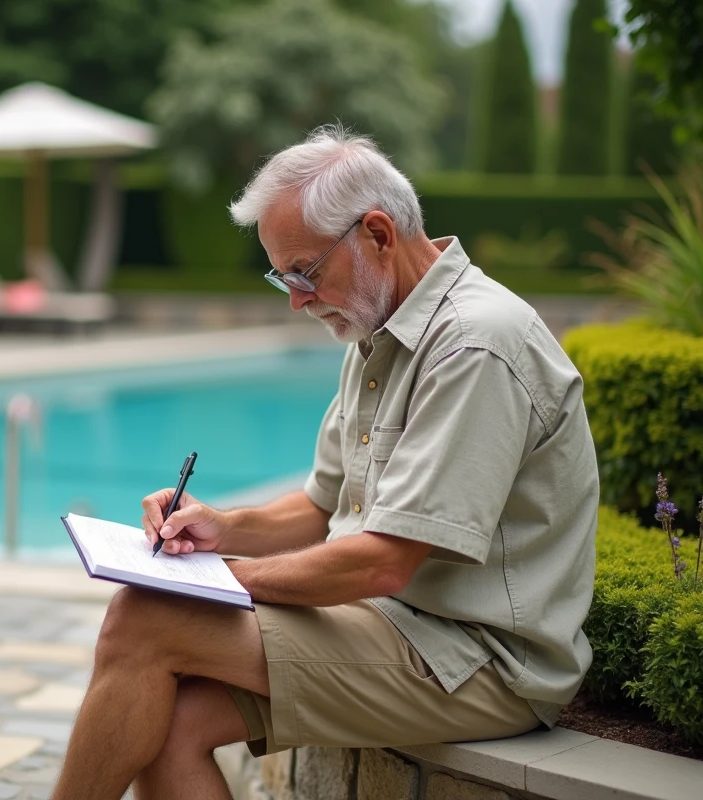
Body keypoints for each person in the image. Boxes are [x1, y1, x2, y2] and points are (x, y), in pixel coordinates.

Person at [50, 125, 599, 800]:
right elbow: (321, 507)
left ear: (377, 234)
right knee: (167, 719)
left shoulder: (474, 346)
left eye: (305, 272)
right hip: (396, 627)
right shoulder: (378, 330)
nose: (296, 299)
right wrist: (219, 528)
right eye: (282, 275)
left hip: (482, 663)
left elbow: (382, 560)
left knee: (146, 617)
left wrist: (223, 583)